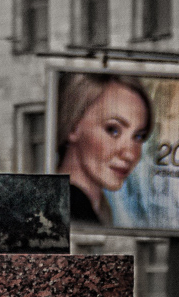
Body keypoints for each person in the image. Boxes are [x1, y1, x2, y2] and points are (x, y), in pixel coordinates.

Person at [56, 73, 153, 225]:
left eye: (138, 137)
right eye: (113, 130)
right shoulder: (65, 207)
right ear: (73, 126)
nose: (130, 154)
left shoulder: (90, 208)